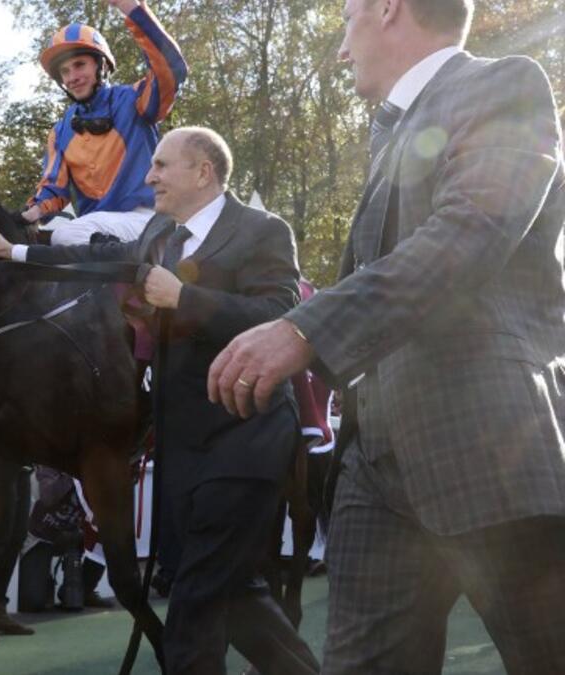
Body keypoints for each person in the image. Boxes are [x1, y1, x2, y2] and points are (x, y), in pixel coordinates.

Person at [207, 0, 565, 672]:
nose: (341, 49)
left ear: (389, 9)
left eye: (346, 23)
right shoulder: (388, 133)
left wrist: (303, 327)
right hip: (375, 460)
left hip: (488, 445)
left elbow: (469, 235)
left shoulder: (504, 84)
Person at [0, 126, 319, 675]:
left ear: (203, 172)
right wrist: (12, 249)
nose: (149, 176)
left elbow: (280, 316)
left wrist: (186, 299)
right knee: (223, 584)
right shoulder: (161, 233)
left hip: (247, 433)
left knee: (198, 592)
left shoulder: (262, 229)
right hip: (181, 439)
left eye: (160, 165)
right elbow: (97, 259)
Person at [23, 0, 187, 246]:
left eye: (79, 65)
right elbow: (55, 188)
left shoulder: (135, 100)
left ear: (101, 66)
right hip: (95, 228)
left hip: (149, 220)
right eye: (65, 71)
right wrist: (30, 214)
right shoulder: (60, 131)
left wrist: (130, 8)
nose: (73, 77)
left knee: (65, 235)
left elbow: (172, 70)